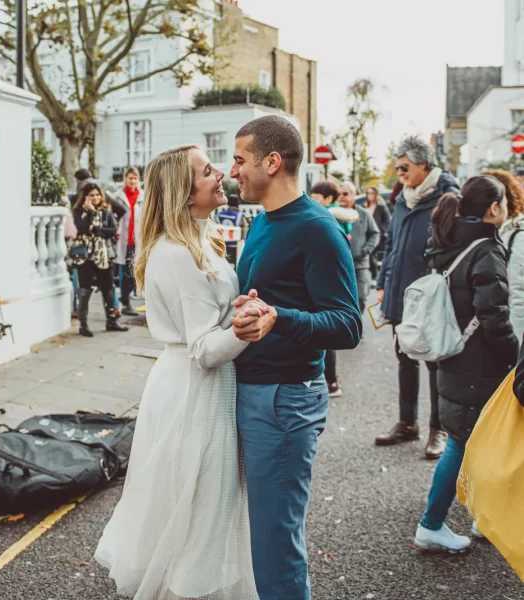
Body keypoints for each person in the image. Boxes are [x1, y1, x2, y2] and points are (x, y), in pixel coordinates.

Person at [94, 144, 273, 599]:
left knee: (198, 510)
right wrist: (245, 328)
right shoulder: (177, 253)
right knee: (201, 513)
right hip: (195, 392)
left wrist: (237, 313)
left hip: (198, 387)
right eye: (208, 171)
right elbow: (204, 349)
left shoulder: (198, 238)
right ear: (183, 191)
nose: (221, 176)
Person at [230, 115, 362, 600]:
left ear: (272, 161)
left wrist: (279, 317)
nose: (232, 171)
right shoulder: (264, 220)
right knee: (259, 538)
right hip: (254, 394)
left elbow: (349, 324)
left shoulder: (317, 228)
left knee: (275, 545)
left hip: (284, 403)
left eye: (240, 159)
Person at [413, 175, 518, 552]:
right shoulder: (486, 248)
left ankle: (477, 518)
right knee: (462, 442)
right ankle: (432, 523)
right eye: (504, 202)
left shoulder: (451, 238)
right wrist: (516, 355)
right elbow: (493, 315)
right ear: (494, 208)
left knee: (467, 438)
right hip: (480, 364)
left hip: (454, 354)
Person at [375, 136, 460, 459]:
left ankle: (439, 429)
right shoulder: (401, 199)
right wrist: (383, 283)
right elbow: (392, 245)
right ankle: (408, 422)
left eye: (404, 166)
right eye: (397, 166)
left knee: (436, 363)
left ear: (424, 164)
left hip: (430, 296)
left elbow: (451, 249)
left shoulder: (448, 196)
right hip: (401, 293)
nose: (399, 172)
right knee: (404, 358)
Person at [308, 180, 357, 398]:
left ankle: (331, 380)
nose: (314, 198)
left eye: (318, 195)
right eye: (313, 194)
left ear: (329, 199)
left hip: (331, 274)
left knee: (327, 332)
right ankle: (330, 380)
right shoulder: (328, 214)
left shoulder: (329, 215)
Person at [71, 183, 128, 336]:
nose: (95, 198)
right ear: (85, 197)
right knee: (85, 289)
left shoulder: (106, 211)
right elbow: (82, 228)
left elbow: (112, 230)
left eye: (97, 195)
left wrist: (97, 231)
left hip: (104, 255)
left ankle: (111, 321)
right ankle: (83, 324)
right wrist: (90, 212)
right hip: (86, 257)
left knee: (108, 288)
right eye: (92, 195)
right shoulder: (79, 211)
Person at [338, 181, 380, 317]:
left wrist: (365, 250)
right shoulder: (333, 212)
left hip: (360, 265)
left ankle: (357, 322)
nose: (341, 197)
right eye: (339, 194)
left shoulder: (363, 214)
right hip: (339, 265)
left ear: (354, 195)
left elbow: (375, 233)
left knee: (360, 297)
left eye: (345, 194)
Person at [491, 170, 524, 341]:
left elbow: (517, 297)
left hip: (511, 339)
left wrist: (514, 349)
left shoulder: (517, 236)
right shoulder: (494, 233)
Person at [109, 167, 143, 316]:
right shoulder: (117, 197)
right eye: (130, 178)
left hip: (138, 239)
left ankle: (128, 299)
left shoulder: (143, 196)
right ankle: (126, 302)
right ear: (125, 179)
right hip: (123, 239)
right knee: (125, 273)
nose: (133, 181)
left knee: (136, 272)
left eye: (135, 178)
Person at [362, 186, 392, 279]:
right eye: (368, 193)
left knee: (372, 255)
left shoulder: (381, 207)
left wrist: (382, 230)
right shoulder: (365, 206)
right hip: (366, 234)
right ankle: (373, 276)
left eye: (372, 193)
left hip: (377, 234)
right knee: (369, 256)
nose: (370, 195)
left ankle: (375, 276)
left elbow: (387, 220)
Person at [216, 193, 244, 264]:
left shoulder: (220, 214)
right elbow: (244, 230)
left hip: (222, 244)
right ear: (238, 204)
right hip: (235, 245)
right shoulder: (239, 215)